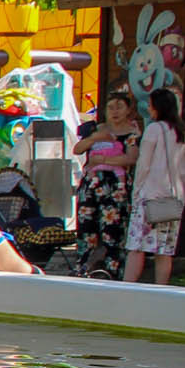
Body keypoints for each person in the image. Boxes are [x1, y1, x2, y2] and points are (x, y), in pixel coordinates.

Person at [123, 86, 184, 288]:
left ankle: (126, 289)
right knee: (164, 250)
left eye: (150, 105)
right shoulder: (180, 131)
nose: (148, 109)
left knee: (137, 246)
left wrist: (136, 191)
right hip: (174, 199)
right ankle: (161, 290)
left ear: (157, 107)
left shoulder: (154, 129)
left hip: (149, 195)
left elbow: (144, 164)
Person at [75, 91, 140, 279]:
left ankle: (113, 272)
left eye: (120, 106)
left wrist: (102, 159)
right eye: (111, 107)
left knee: (113, 230)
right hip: (91, 186)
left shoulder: (132, 132)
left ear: (129, 110)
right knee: (87, 228)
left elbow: (130, 158)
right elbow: (78, 149)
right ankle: (83, 269)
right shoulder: (97, 130)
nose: (115, 111)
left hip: (115, 187)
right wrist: (96, 138)